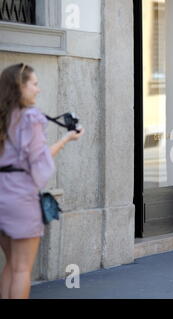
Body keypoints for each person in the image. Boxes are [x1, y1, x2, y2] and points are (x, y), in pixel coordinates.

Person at [0, 64, 84, 299]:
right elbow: (40, 162)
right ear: (20, 87)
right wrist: (67, 139)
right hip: (20, 197)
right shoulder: (31, 118)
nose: (39, 89)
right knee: (22, 269)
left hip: (1, 196)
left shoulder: (4, 117)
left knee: (10, 265)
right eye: (34, 84)